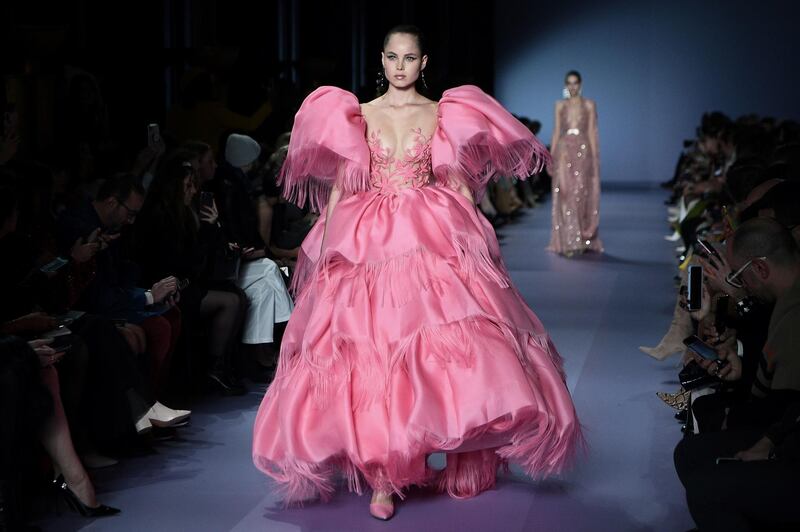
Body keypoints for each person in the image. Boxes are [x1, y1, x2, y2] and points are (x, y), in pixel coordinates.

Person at [252, 25, 581, 520]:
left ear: (423, 63)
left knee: (432, 348)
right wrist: (325, 244)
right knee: (374, 349)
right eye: (390, 57)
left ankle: (429, 450)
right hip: (368, 238)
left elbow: (456, 183)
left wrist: (477, 240)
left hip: (430, 230)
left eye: (408, 58)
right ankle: (385, 475)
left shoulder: (443, 113)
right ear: (381, 61)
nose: (399, 66)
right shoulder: (357, 114)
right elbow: (345, 185)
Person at [547, 70, 603, 256]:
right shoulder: (559, 105)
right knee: (565, 194)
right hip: (563, 152)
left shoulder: (589, 105)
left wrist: (595, 160)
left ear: (580, 84)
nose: (572, 86)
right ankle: (570, 242)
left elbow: (592, 132)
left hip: (582, 152)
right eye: (569, 83)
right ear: (565, 85)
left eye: (575, 83)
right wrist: (551, 157)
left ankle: (580, 238)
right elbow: (556, 131)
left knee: (579, 195)